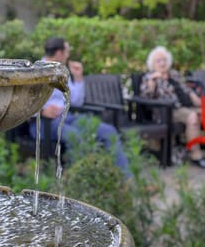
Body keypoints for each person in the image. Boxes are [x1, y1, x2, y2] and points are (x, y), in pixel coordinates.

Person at [29, 37, 130, 175]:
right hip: (43, 124)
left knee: (108, 130)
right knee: (74, 136)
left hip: (67, 118)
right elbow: (23, 104)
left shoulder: (61, 71)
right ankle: (78, 182)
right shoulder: (35, 71)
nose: (68, 55)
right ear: (59, 53)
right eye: (67, 51)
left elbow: (76, 102)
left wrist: (78, 78)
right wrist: (41, 111)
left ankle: (125, 179)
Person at [139, 46, 205, 168]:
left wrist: (194, 96)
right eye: (158, 61)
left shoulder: (174, 74)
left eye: (164, 60)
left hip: (183, 108)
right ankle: (195, 154)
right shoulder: (149, 77)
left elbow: (185, 88)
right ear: (152, 64)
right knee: (193, 117)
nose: (162, 63)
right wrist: (152, 83)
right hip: (166, 111)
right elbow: (146, 97)